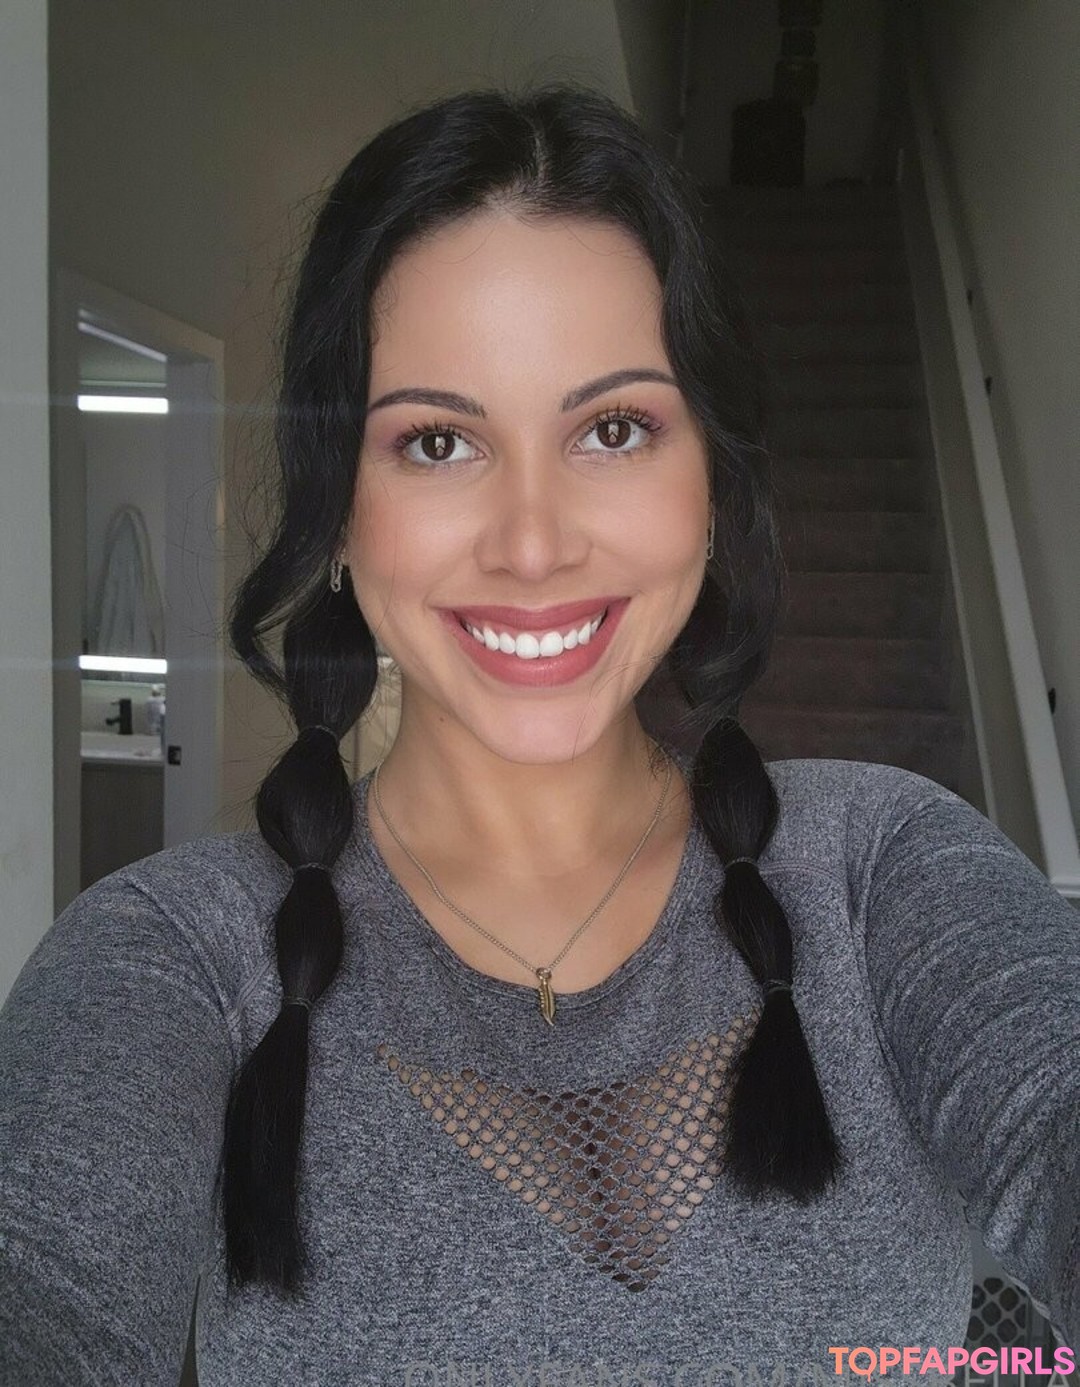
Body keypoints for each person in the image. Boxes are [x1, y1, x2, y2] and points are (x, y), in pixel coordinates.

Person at [1, 82, 1077, 1387]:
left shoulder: (882, 874)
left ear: (710, 483)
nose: (531, 543)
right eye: (438, 442)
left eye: (613, 430)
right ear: (336, 511)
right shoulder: (176, 958)